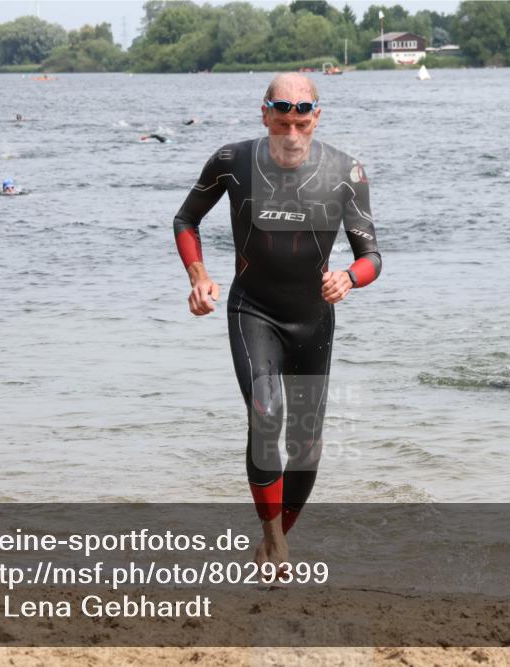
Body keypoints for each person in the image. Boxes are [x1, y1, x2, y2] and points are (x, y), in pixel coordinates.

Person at [172, 73, 382, 573]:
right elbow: (186, 220)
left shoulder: (346, 172)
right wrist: (199, 276)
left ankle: (274, 539)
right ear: (265, 114)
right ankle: (275, 542)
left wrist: (349, 278)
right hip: (254, 310)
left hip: (313, 319)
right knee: (265, 414)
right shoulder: (232, 162)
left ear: (316, 118)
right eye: (282, 122)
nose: (291, 135)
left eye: (301, 124)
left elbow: (371, 256)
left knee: (306, 446)